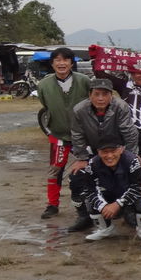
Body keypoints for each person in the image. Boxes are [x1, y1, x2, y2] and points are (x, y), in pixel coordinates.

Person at [35, 47, 91, 220]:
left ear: (71, 63)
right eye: (57, 60)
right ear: (52, 64)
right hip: (58, 133)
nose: (61, 63)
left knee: (91, 168)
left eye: (65, 60)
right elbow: (45, 105)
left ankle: (95, 203)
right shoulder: (44, 85)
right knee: (55, 170)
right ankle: (52, 205)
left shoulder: (84, 81)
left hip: (84, 135)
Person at [71, 134, 141, 243]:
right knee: (89, 200)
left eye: (113, 151)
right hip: (110, 194)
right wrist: (103, 206)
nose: (109, 156)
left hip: (131, 196)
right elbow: (89, 190)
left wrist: (118, 204)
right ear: (98, 152)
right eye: (104, 152)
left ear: (121, 149)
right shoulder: (92, 164)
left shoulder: (132, 161)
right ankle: (105, 229)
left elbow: (140, 186)